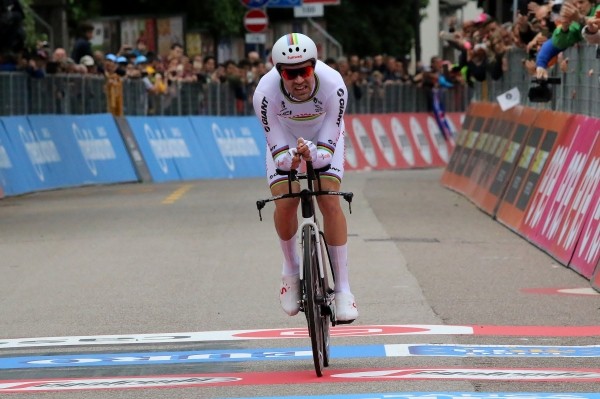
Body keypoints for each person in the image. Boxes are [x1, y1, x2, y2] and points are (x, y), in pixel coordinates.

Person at [252, 33, 358, 322]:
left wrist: (314, 153)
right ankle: (290, 271)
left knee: (329, 199)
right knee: (285, 202)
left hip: (324, 135)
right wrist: (290, 158)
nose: (299, 80)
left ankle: (343, 291)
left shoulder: (334, 84)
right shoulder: (264, 94)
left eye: (305, 71)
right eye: (290, 73)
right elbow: (278, 153)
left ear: (314, 66)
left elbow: (325, 152)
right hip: (285, 138)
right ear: (278, 72)